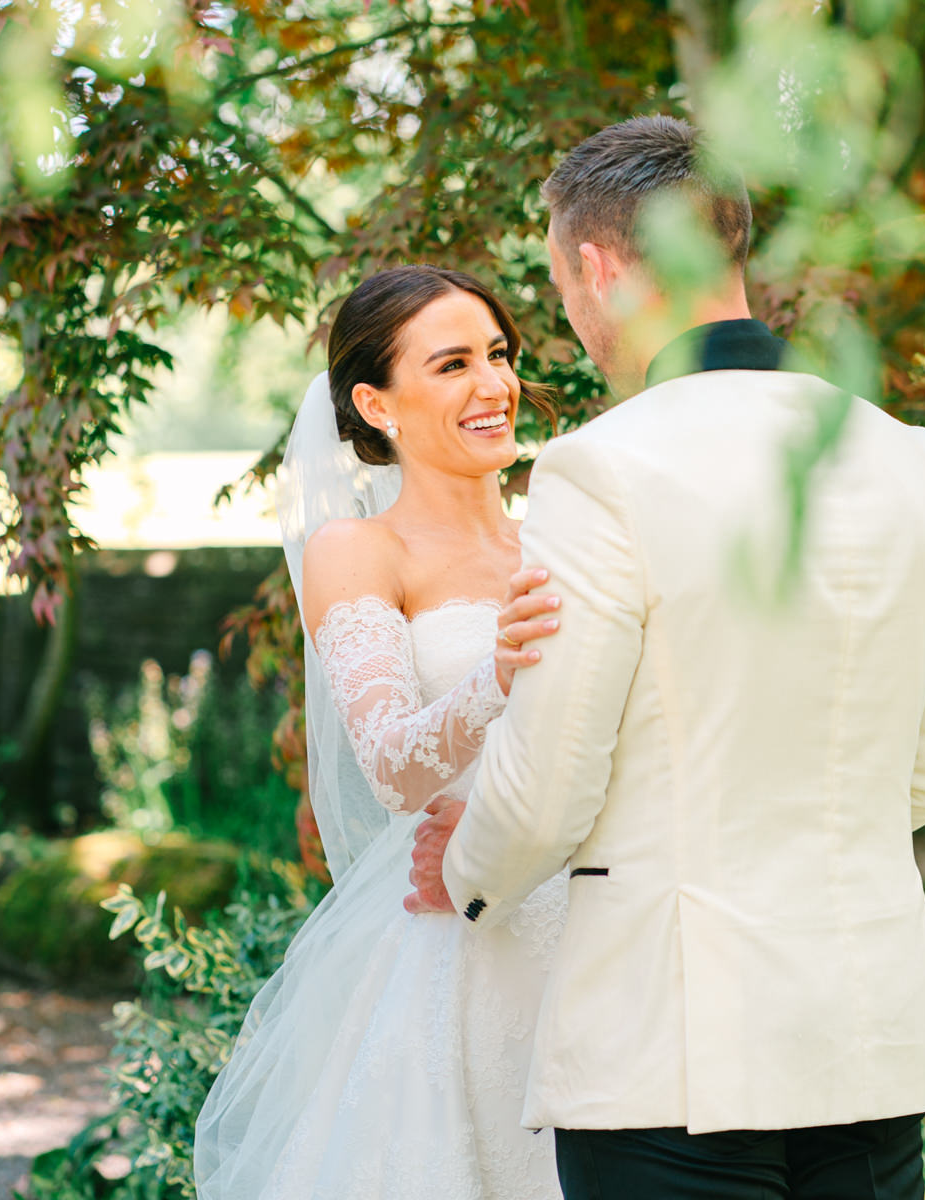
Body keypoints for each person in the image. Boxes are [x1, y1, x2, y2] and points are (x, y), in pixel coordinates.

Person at [405, 115, 925, 1199]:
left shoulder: (601, 469)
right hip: (870, 1044)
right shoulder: (915, 465)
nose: (571, 324)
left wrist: (466, 874)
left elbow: (546, 791)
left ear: (599, 265)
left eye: (563, 293)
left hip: (670, 1059)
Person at [193, 264, 568, 1199]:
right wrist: (499, 675)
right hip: (469, 944)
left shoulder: (559, 538)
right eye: (451, 365)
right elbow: (395, 768)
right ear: (376, 403)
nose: (493, 385)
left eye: (499, 354)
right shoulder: (360, 550)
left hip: (598, 932)